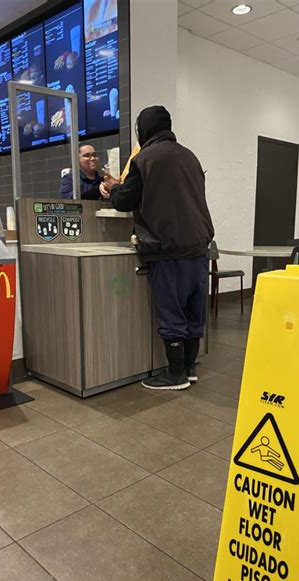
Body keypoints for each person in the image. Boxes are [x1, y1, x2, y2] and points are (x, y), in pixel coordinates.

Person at [102, 105, 214, 391]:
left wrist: (113, 188)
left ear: (143, 129)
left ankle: (175, 374)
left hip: (169, 248)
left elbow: (125, 201)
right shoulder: (190, 156)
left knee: (172, 312)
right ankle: (189, 369)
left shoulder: (146, 158)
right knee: (193, 311)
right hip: (199, 247)